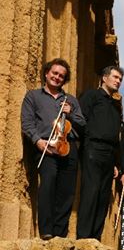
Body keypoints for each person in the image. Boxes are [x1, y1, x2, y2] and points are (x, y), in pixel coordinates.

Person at [21, 58, 86, 240]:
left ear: (64, 80)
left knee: (67, 192)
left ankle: (60, 233)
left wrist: (71, 112)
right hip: (46, 147)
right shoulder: (33, 96)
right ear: (47, 73)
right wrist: (37, 141)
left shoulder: (70, 100)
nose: (57, 78)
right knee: (48, 185)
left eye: (61, 76)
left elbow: (82, 124)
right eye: (55, 73)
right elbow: (27, 123)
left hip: (68, 147)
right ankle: (46, 232)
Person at [77, 65, 124, 240]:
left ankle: (95, 238)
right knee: (90, 192)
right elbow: (80, 120)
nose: (118, 81)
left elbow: (116, 136)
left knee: (104, 196)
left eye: (120, 79)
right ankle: (83, 237)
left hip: (109, 153)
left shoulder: (115, 105)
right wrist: (87, 143)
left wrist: (116, 163)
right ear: (104, 78)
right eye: (115, 77)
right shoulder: (91, 96)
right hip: (93, 148)